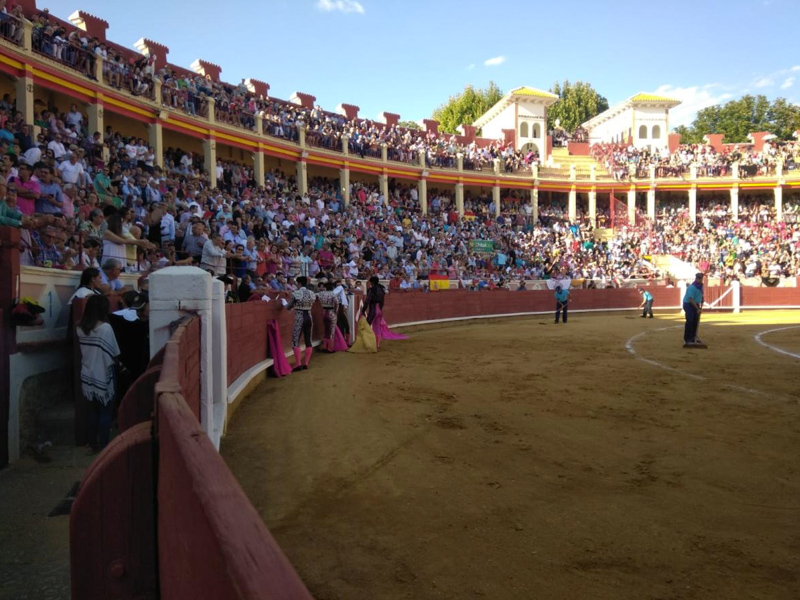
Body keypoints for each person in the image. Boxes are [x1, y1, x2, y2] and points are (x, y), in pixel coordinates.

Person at [76, 294, 120, 452]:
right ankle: (104, 446)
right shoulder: (105, 329)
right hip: (103, 373)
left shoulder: (80, 328)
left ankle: (93, 443)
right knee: (105, 412)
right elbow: (114, 353)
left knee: (93, 411)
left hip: (87, 373)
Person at [281, 275, 316, 371]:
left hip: (299, 317)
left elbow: (288, 307)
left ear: (299, 283)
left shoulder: (296, 293)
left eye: (297, 283)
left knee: (295, 341)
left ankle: (298, 364)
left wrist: (284, 303)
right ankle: (306, 363)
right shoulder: (312, 294)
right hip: (309, 317)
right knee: (308, 340)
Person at [315, 280, 340, 352]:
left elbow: (314, 295)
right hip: (331, 313)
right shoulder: (333, 294)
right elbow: (337, 304)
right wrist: (336, 312)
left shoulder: (321, 294)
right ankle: (330, 348)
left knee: (325, 330)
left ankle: (325, 347)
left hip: (323, 312)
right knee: (331, 331)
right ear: (332, 287)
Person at [683, 273, 705, 345]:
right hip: (688, 304)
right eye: (698, 278)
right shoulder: (692, 287)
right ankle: (687, 339)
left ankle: (693, 338)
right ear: (696, 278)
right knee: (690, 320)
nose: (700, 280)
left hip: (695, 304)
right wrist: (697, 308)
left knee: (695, 321)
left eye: (701, 278)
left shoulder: (701, 286)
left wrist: (701, 299)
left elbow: (701, 295)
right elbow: (690, 299)